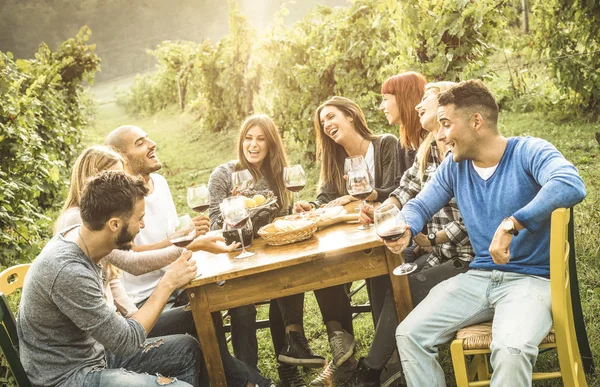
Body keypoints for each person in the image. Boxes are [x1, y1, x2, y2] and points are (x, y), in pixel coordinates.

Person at [390, 80, 586, 386]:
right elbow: (419, 204)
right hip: (478, 279)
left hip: (531, 280)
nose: (439, 135)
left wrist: (512, 224)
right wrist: (406, 226)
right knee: (409, 334)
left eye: (445, 124)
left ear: (476, 121)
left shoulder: (529, 151)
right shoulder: (454, 168)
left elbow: (570, 184)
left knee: (511, 349)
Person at [54, 145, 274, 387]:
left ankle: (243, 381)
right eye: (120, 181)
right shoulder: (77, 236)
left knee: (194, 331)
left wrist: (131, 315)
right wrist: (172, 276)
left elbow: (113, 280)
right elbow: (133, 266)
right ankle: (252, 383)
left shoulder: (86, 236)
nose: (143, 226)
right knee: (193, 327)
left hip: (107, 336)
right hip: (87, 364)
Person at [18, 170, 204, 386]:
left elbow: (134, 264)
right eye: (139, 219)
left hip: (95, 353)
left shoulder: (86, 236)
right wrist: (168, 283)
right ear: (114, 225)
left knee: (187, 350)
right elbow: (126, 341)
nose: (142, 226)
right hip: (67, 376)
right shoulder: (68, 270)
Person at [348, 81, 476, 387]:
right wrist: (384, 211)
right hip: (437, 253)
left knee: (402, 288)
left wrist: (430, 240)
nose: (418, 106)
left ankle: (370, 372)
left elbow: (472, 223)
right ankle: (388, 367)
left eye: (426, 100)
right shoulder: (429, 148)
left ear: (448, 107)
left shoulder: (466, 152)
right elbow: (407, 190)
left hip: (467, 259)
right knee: (396, 280)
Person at [292, 96, 401, 386]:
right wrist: (311, 208)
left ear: (350, 115)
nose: (326, 124)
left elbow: (399, 186)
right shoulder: (334, 159)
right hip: (353, 231)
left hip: (385, 230)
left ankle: (390, 358)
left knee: (378, 272)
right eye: (322, 122)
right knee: (325, 263)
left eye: (331, 116)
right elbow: (326, 199)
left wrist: (364, 194)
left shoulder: (385, 143)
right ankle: (342, 349)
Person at [209, 114, 324, 387]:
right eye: (249, 138)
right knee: (242, 305)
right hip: (237, 256)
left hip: (271, 253)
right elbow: (214, 226)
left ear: (271, 144)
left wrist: (297, 210)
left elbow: (282, 220)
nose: (254, 145)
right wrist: (232, 209)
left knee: (287, 279)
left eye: (261, 139)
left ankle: (288, 363)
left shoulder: (278, 174)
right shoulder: (224, 175)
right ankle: (250, 374)